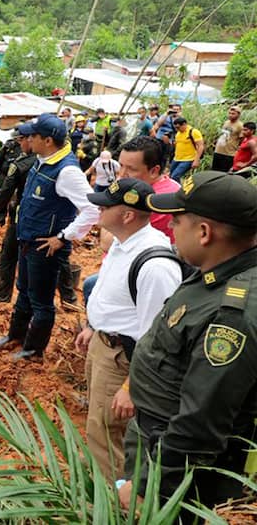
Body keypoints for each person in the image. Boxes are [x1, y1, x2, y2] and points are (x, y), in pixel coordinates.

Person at [119, 171, 257, 509]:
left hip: (175, 474)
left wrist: (146, 486)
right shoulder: (213, 271)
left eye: (177, 221)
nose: (171, 228)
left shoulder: (232, 314)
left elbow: (200, 422)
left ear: (205, 232)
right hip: (153, 440)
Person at [73, 179, 182, 481]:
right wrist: (94, 327)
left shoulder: (154, 265)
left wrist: (131, 386)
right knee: (98, 423)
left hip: (123, 359)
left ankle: (112, 501)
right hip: (104, 345)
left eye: (105, 206)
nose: (99, 209)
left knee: (109, 434)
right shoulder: (123, 245)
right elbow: (115, 297)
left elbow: (158, 337)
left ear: (127, 215)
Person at [0, 114, 100, 361]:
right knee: (24, 290)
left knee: (41, 300)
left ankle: (34, 350)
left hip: (46, 245)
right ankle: (16, 336)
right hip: (29, 239)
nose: (28, 139)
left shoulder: (67, 171)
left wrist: (63, 237)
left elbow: (93, 209)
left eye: (33, 136)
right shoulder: (43, 159)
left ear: (47, 140)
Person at [0, 125, 35, 302]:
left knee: (12, 257)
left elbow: (3, 194)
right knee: (17, 257)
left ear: (30, 139)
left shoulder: (24, 165)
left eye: (20, 140)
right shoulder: (38, 159)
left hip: (24, 219)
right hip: (25, 215)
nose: (19, 143)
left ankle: (7, 296)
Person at [116, 136, 180, 241]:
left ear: (154, 171)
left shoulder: (151, 202)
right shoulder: (171, 185)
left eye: (131, 169)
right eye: (121, 165)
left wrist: (113, 196)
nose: (121, 175)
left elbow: (107, 242)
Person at [168, 116, 203, 181]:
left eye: (178, 127)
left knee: (175, 176)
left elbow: (200, 146)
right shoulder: (178, 133)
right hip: (177, 158)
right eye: (175, 127)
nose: (177, 129)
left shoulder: (193, 132)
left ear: (184, 124)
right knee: (170, 176)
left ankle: (180, 190)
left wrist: (196, 160)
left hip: (188, 159)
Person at [212, 106, 244, 173]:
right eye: (229, 113)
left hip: (229, 153)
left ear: (238, 115)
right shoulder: (226, 122)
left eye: (233, 114)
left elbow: (242, 140)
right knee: (214, 172)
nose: (230, 115)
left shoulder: (240, 125)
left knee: (224, 173)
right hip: (218, 151)